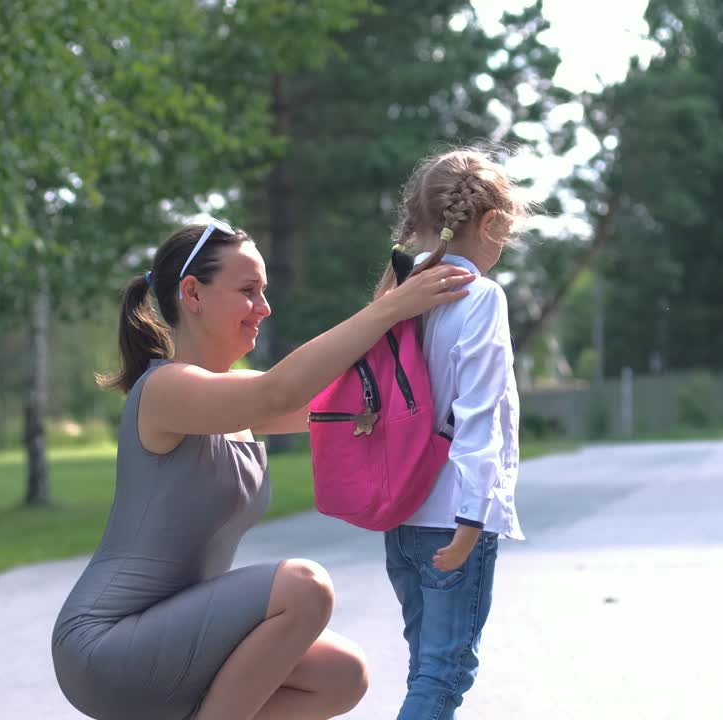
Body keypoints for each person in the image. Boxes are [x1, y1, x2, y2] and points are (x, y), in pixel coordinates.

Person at [51, 218, 476, 720]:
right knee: (304, 587)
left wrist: (402, 287)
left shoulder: (233, 398)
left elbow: (343, 393)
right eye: (248, 290)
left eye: (264, 291)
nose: (264, 308)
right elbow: (281, 391)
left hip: (173, 636)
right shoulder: (166, 390)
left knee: (340, 676)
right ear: (193, 293)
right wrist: (387, 310)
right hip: (108, 643)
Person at [374, 148, 528, 719]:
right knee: (445, 673)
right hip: (453, 517)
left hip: (402, 513)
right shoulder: (480, 298)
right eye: (506, 231)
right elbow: (480, 415)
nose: (504, 244)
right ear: (488, 223)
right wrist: (472, 520)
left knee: (426, 667)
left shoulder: (398, 293)